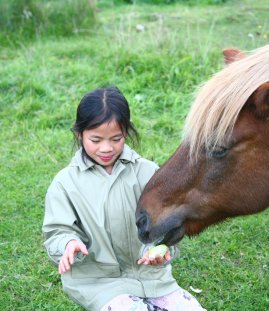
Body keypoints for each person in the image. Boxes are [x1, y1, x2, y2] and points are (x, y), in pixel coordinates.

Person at [42, 87, 206, 311]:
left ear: (126, 133)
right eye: (96, 140)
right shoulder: (65, 184)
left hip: (152, 278)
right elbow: (56, 232)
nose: (106, 148)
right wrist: (68, 244)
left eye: (116, 139)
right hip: (98, 282)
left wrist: (163, 249)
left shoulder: (149, 173)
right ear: (80, 134)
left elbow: (169, 223)